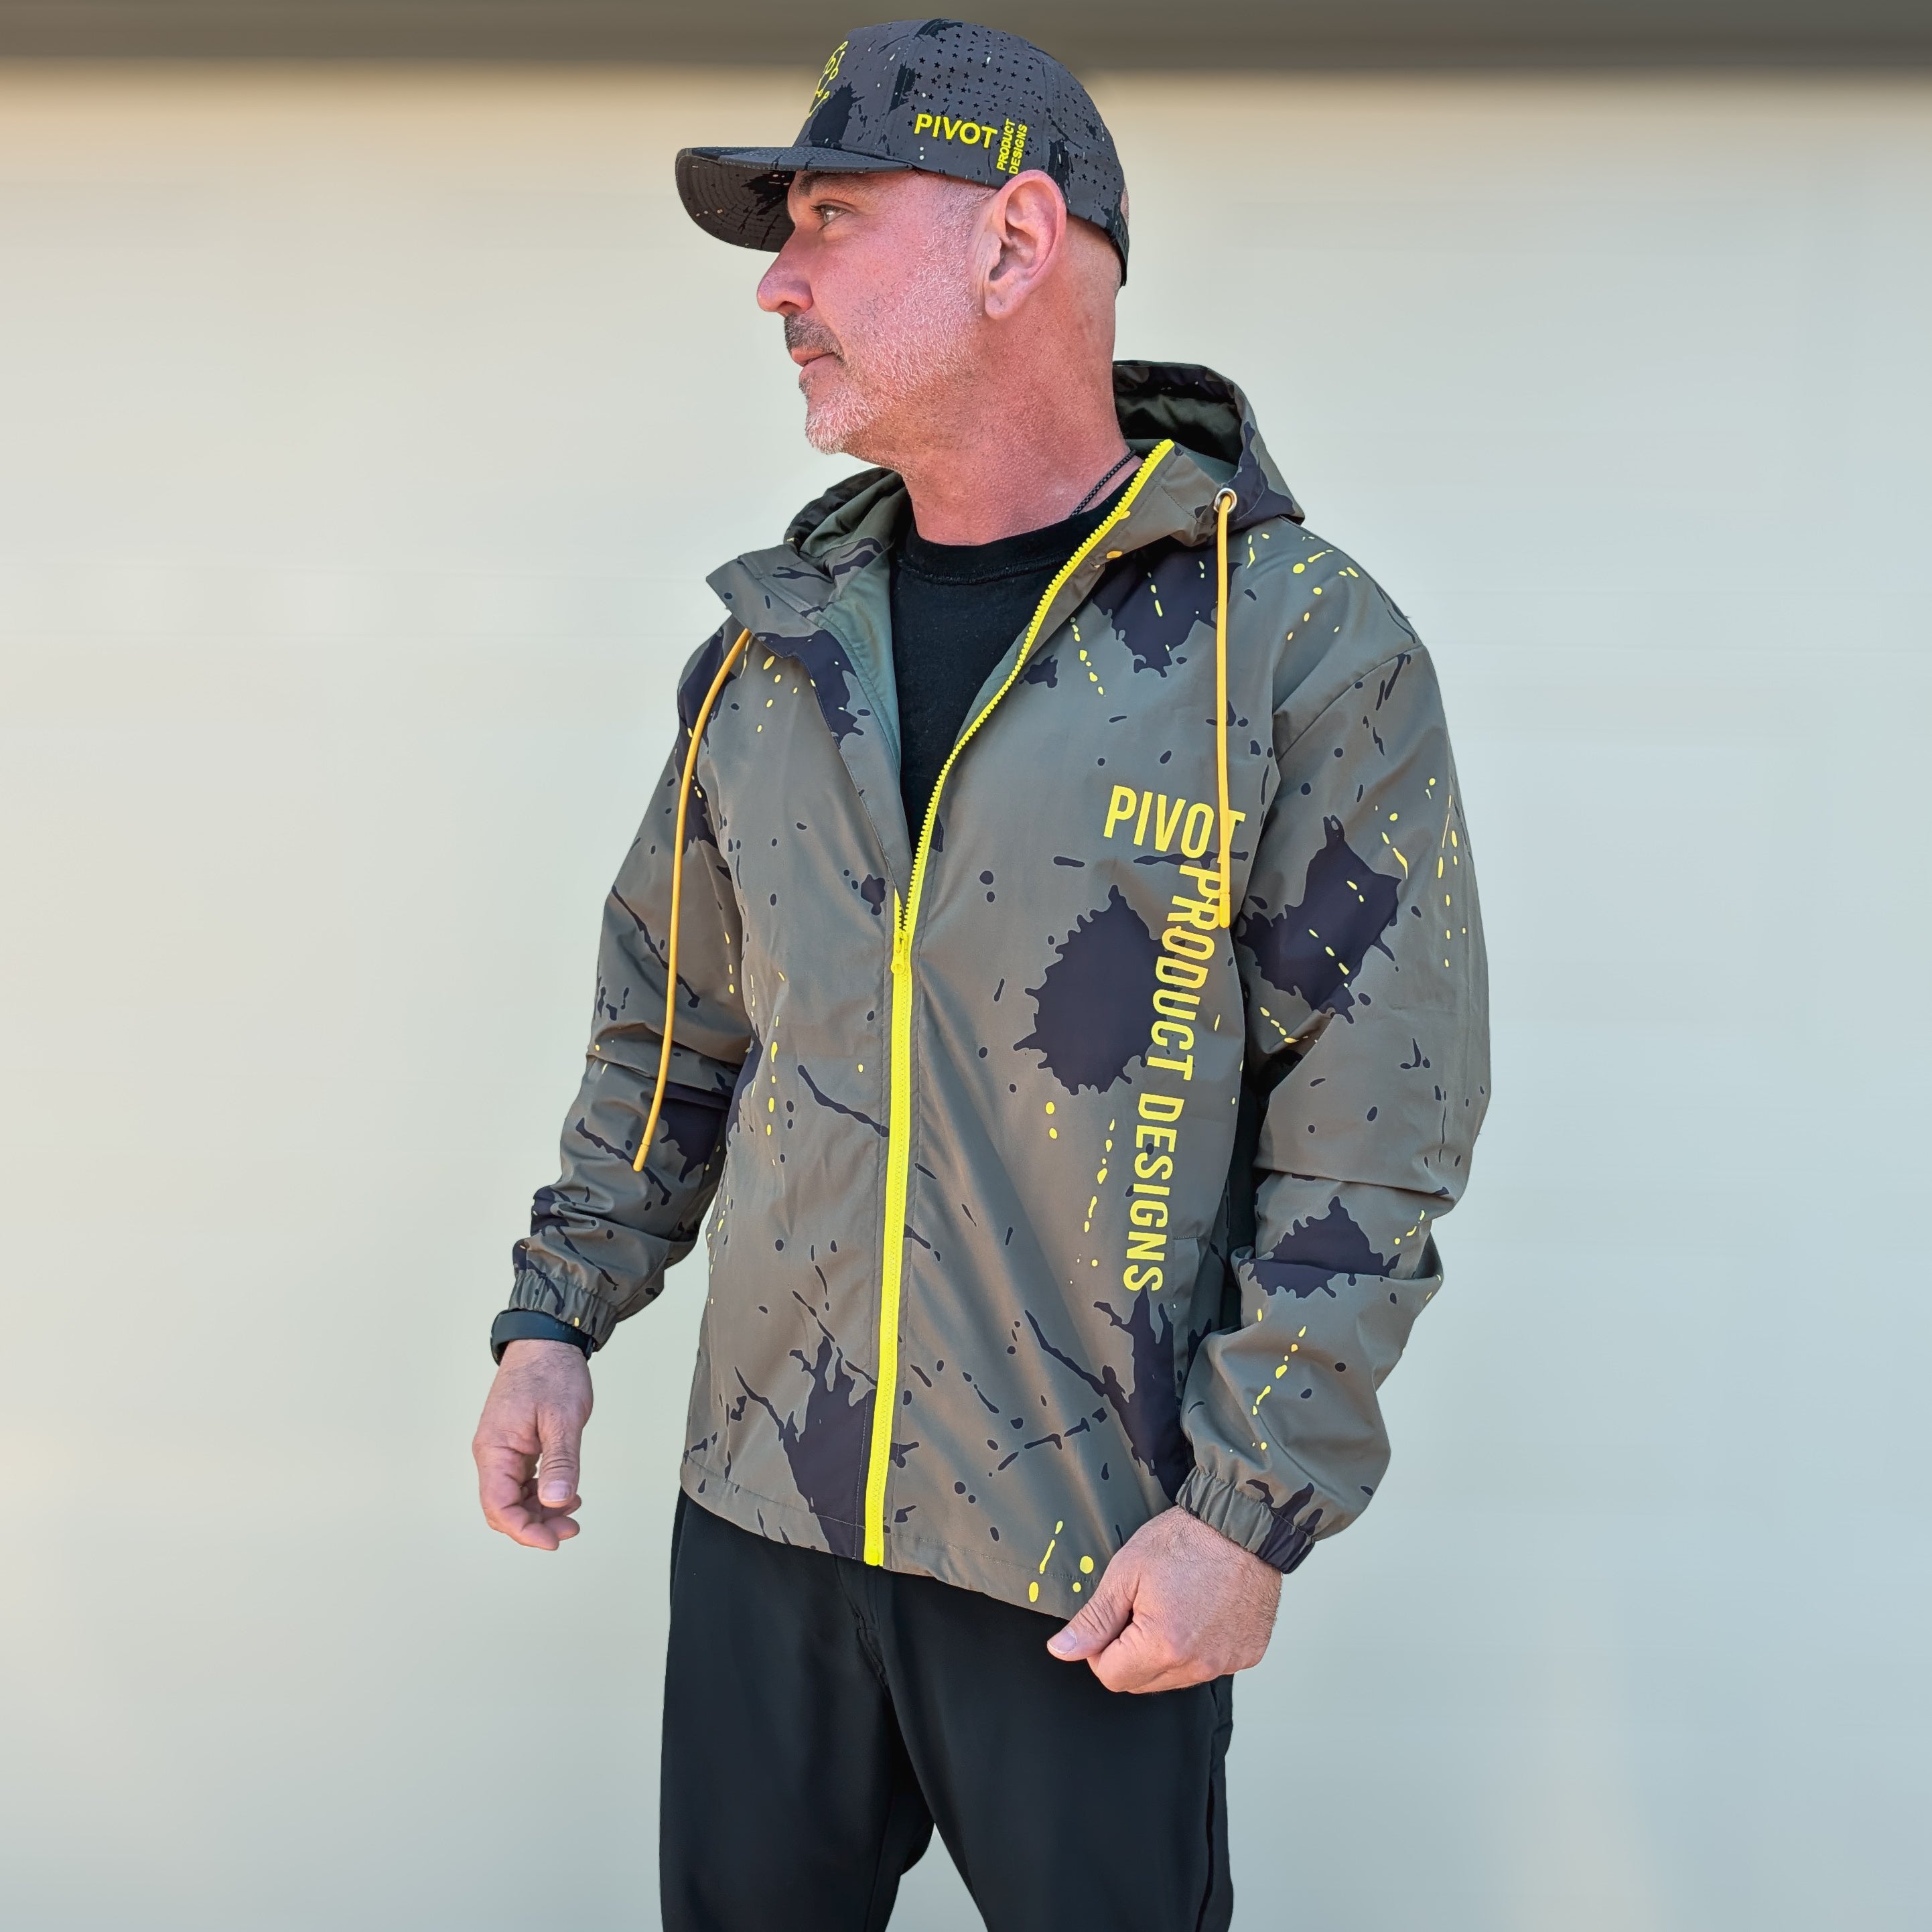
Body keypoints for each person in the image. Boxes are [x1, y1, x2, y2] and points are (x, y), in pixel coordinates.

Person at [471, 19, 1489, 1931]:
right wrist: (554, 1315)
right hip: (762, 1523)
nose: (778, 283)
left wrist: (1244, 1513)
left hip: (1089, 1551)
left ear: (1017, 247)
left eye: (833, 219)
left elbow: (1376, 1132)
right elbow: (670, 1020)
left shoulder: (1289, 650)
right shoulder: (775, 654)